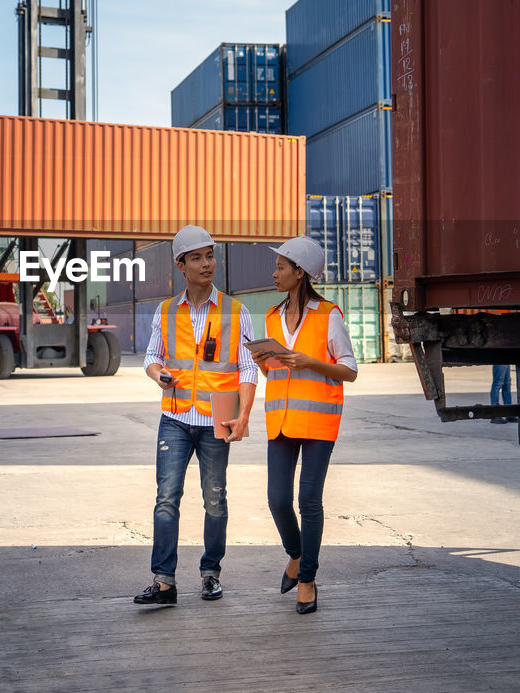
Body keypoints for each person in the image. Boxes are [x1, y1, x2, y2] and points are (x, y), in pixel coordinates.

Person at [133, 225, 258, 606]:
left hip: (218, 417)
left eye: (210, 256)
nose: (207, 264)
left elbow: (249, 368)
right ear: (181, 265)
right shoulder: (166, 309)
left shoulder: (237, 310)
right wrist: (159, 375)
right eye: (197, 258)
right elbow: (152, 357)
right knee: (166, 498)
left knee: (214, 499)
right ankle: (164, 582)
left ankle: (210, 574)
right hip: (175, 414)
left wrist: (243, 415)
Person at [250, 236, 357, 615]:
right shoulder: (270, 316)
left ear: (300, 272)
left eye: (281, 267)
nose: (274, 273)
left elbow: (350, 370)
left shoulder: (329, 314)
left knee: (308, 501)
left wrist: (309, 362)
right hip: (280, 421)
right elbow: (273, 372)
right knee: (277, 499)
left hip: (318, 422)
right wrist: (264, 360)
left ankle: (307, 579)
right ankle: (295, 555)